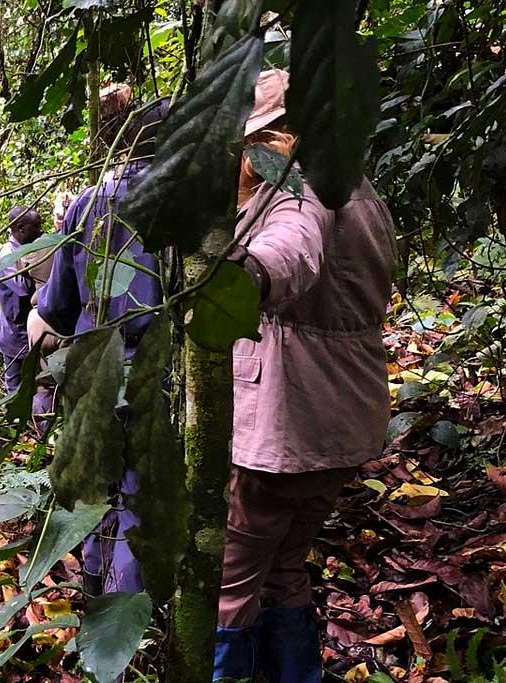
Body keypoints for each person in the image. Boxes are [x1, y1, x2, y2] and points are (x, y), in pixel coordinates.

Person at [213, 69, 397, 682]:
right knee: (285, 567)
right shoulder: (362, 190)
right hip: (346, 419)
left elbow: (290, 252)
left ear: (274, 137)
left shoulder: (296, 192)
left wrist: (245, 275)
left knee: (232, 583)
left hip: (285, 423)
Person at [35, 92, 171, 594]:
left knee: (100, 483)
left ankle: (96, 586)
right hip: (154, 365)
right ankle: (126, 606)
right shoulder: (180, 201)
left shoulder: (87, 204)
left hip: (97, 362)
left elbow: (57, 307)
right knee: (138, 489)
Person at [0, 207, 43, 393]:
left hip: (28, 331)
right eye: (36, 227)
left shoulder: (28, 249)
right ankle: (16, 421)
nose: (40, 231)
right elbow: (22, 288)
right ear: (21, 228)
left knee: (35, 384)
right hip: (14, 334)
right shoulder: (7, 256)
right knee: (15, 388)